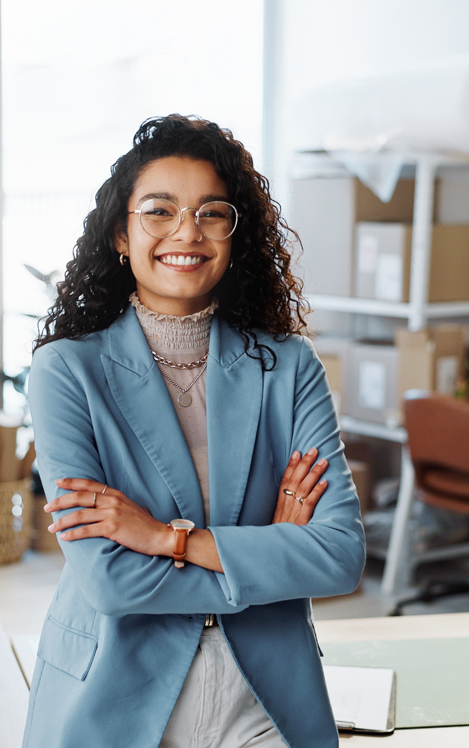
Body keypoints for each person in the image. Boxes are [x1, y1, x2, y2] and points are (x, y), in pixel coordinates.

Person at [23, 115, 365, 748]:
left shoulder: (287, 365)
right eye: (159, 211)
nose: (187, 232)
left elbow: (340, 556)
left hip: (265, 694)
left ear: (237, 236)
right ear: (121, 236)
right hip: (116, 688)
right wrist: (272, 554)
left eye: (212, 213)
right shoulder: (66, 370)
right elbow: (110, 581)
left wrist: (163, 538)